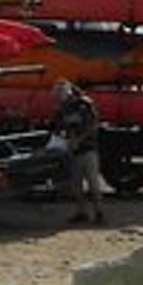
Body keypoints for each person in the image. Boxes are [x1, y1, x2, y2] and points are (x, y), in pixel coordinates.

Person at [49, 80, 106, 224]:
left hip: (88, 149)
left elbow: (93, 125)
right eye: (56, 92)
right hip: (73, 151)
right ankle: (81, 212)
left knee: (93, 183)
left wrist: (78, 140)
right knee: (76, 184)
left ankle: (99, 212)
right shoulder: (63, 109)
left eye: (60, 91)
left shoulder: (83, 104)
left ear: (68, 91)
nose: (58, 95)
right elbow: (58, 128)